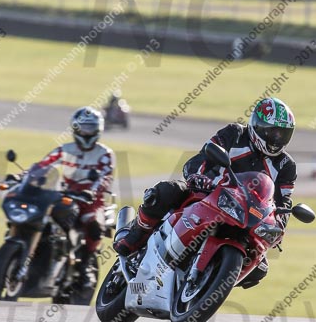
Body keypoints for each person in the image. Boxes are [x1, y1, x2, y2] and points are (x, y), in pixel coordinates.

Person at [114, 97, 297, 289]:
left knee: (260, 268)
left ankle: (211, 278)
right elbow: (202, 157)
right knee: (165, 192)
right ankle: (135, 235)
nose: (276, 139)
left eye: (282, 134)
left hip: (247, 215)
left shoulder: (286, 165)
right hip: (209, 193)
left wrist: (279, 226)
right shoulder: (235, 134)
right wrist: (198, 176)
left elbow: (284, 202)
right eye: (272, 132)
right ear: (258, 125)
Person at [37, 106, 115, 288]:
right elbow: (42, 165)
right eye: (83, 127)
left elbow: (106, 176)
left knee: (94, 226)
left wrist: (92, 191)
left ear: (98, 129)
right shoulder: (64, 149)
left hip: (91, 200)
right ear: (74, 128)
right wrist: (24, 176)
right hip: (65, 194)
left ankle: (85, 266)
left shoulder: (105, 154)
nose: (86, 132)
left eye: (90, 127)